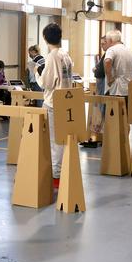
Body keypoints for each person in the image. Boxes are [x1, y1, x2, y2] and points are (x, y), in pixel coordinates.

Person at [36, 23, 73, 189]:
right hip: (66, 100)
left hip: (53, 102)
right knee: (63, 140)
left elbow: (46, 83)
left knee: (54, 141)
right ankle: (62, 171)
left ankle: (56, 175)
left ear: (45, 38)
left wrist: (37, 72)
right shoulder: (66, 55)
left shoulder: (51, 57)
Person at [103, 30, 132, 102]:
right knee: (127, 112)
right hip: (130, 88)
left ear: (111, 40)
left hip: (118, 90)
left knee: (114, 112)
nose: (106, 43)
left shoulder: (111, 49)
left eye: (107, 41)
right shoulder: (130, 50)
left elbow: (107, 61)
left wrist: (109, 78)